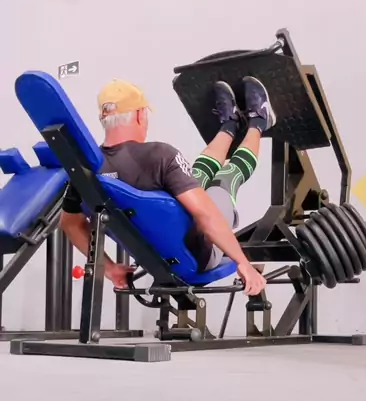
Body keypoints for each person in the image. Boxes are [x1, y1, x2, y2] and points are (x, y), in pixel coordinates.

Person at [60, 75, 276, 296]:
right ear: (140, 115)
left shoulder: (84, 171)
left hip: (157, 259)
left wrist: (109, 268)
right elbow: (206, 215)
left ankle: (230, 124)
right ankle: (259, 121)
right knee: (226, 179)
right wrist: (243, 263)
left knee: (197, 174)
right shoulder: (160, 155)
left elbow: (70, 223)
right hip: (198, 256)